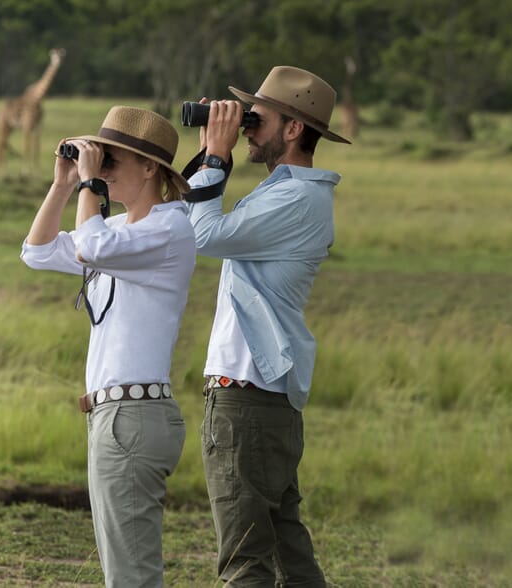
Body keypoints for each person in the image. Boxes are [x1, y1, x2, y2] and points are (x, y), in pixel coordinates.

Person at [183, 66, 350, 586]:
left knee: (245, 560)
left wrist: (217, 156)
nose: (248, 126)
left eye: (258, 118)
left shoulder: (294, 198)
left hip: (247, 394)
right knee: (286, 551)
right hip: (264, 395)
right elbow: (192, 213)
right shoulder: (287, 192)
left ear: (294, 129)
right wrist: (211, 153)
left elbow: (203, 236)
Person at [21, 106, 196, 587]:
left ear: (150, 169)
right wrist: (63, 183)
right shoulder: (117, 230)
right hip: (114, 417)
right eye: (100, 162)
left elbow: (90, 249)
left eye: (111, 163)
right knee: (123, 572)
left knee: (132, 576)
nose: (101, 172)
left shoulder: (169, 229)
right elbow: (36, 253)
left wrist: (89, 186)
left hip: (134, 417)